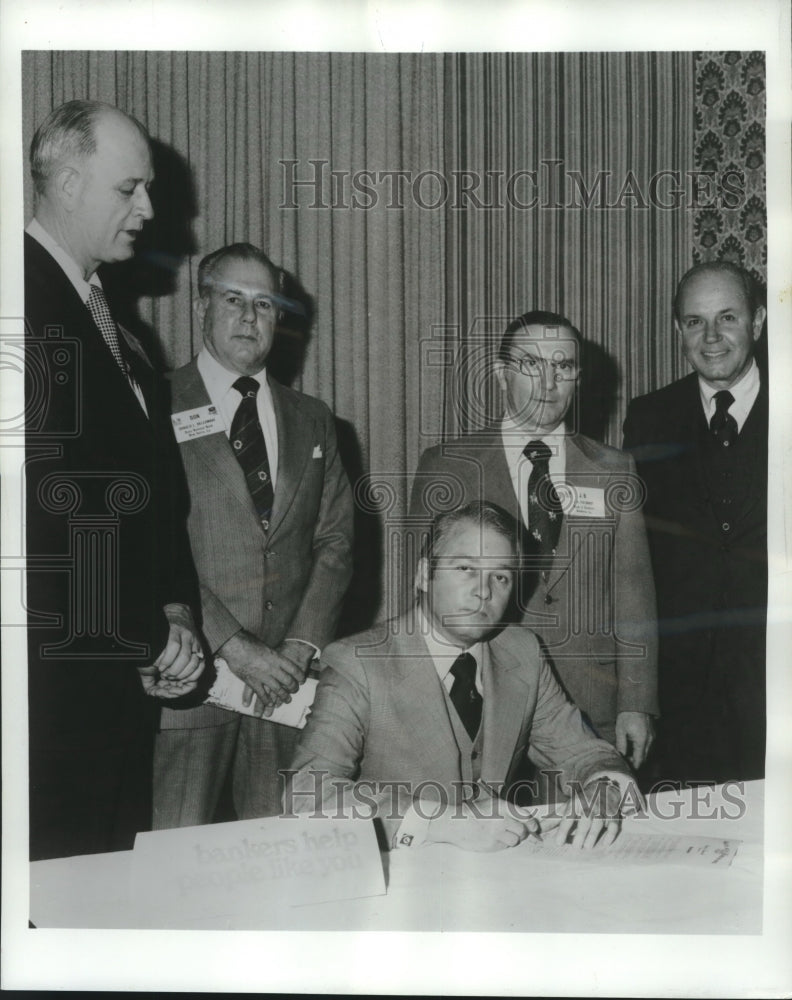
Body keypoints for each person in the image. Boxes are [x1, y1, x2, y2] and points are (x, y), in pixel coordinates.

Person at [25, 100, 204, 860]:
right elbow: (43, 511)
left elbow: (157, 497)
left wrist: (174, 611)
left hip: (116, 678)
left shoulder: (122, 331)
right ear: (67, 182)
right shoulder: (17, 305)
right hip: (51, 686)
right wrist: (146, 633)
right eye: (128, 189)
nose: (150, 210)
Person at [287, 502, 640, 851]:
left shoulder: (523, 652)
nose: (483, 591)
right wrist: (441, 823)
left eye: (500, 577)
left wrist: (603, 787)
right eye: (466, 568)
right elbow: (306, 794)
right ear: (425, 575)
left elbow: (581, 750)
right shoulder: (358, 662)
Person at [152, 243, 354, 827]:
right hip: (190, 676)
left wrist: (297, 650)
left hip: (286, 691)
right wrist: (235, 648)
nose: (248, 316)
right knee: (176, 851)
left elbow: (336, 542)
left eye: (264, 304)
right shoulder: (154, 403)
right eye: (233, 299)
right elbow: (154, 541)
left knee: (278, 860)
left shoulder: (314, 417)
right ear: (200, 307)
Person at [409, 311, 657, 779]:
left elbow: (635, 597)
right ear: (502, 374)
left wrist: (637, 703)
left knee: (586, 843)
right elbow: (420, 599)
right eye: (530, 365)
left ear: (577, 379)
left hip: (592, 703)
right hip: (480, 695)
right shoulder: (449, 466)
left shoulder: (614, 469)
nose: (547, 381)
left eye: (562, 366)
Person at [623, 262, 767, 784]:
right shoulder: (648, 417)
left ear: (758, 320)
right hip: (683, 696)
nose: (711, 338)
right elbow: (633, 556)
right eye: (693, 321)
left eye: (727, 317)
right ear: (677, 329)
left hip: (778, 683)